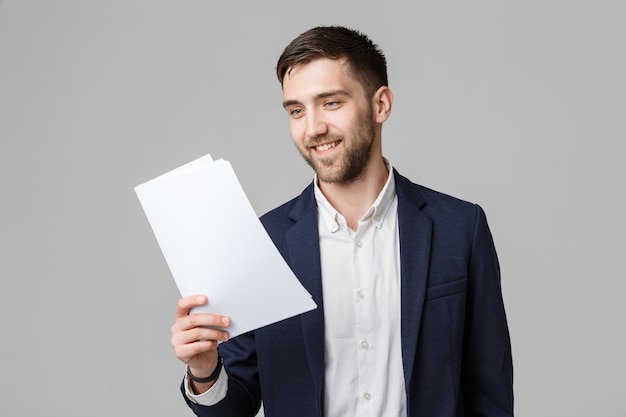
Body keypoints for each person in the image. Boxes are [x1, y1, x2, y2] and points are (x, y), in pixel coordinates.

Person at [170, 25, 514, 417]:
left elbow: (491, 393)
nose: (312, 128)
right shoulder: (263, 242)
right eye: (296, 110)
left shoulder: (460, 228)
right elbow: (234, 409)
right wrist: (203, 370)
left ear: (380, 104)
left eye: (330, 102)